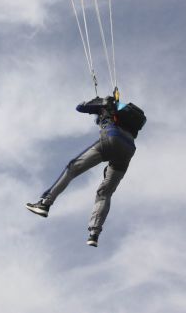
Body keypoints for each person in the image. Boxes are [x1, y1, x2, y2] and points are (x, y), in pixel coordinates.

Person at [25, 95, 146, 247]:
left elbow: (80, 107)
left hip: (112, 138)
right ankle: (94, 234)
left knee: (72, 168)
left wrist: (98, 102)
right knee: (105, 193)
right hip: (128, 149)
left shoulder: (106, 104)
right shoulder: (125, 115)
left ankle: (45, 203)